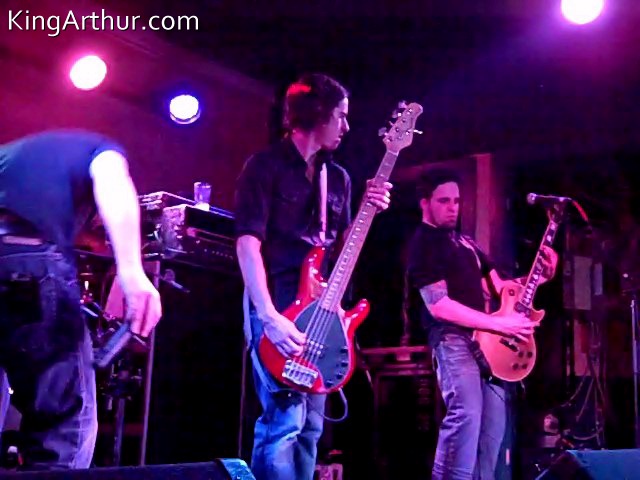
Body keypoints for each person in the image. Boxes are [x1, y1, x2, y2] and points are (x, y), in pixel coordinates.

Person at [234, 73, 392, 480]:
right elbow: (248, 244)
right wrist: (268, 315)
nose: (347, 126)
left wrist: (368, 212)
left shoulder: (338, 178)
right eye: (341, 116)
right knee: (283, 422)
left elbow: (337, 252)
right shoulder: (264, 167)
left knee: (311, 431)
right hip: (277, 302)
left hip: (321, 313)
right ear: (317, 113)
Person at [0, 130, 162, 470]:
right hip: (27, 262)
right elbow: (112, 180)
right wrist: (131, 270)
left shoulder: (10, 159)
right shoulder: (100, 149)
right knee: (64, 425)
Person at [406, 169, 557, 480]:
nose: (453, 207)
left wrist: (539, 277)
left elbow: (501, 289)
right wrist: (499, 326)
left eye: (456, 201)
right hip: (452, 339)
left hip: (486, 343)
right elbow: (439, 306)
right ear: (425, 203)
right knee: (466, 414)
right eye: (444, 201)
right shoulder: (423, 244)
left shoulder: (466, 243)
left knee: (493, 426)